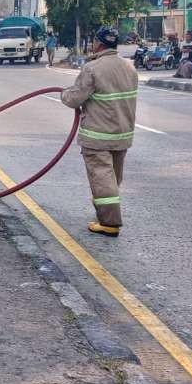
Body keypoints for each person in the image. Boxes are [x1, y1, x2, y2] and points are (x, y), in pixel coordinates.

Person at [60, 26, 137, 237]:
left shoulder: (93, 68)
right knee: (113, 177)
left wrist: (64, 95)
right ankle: (104, 211)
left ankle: (109, 222)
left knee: (102, 177)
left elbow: (74, 98)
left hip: (98, 135)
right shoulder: (130, 67)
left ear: (98, 43)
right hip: (123, 133)